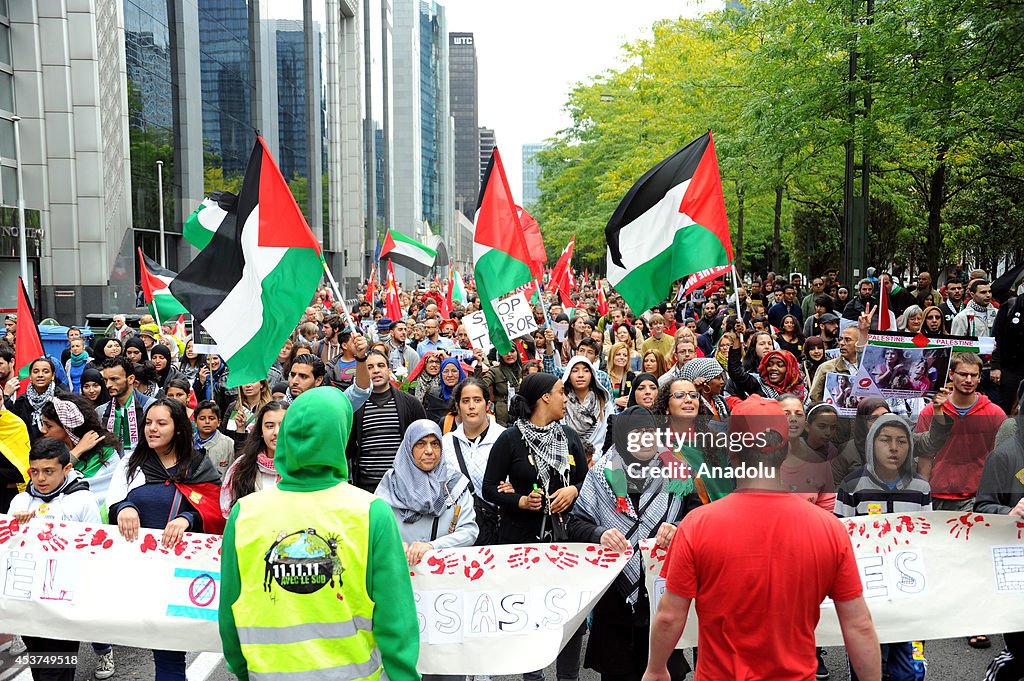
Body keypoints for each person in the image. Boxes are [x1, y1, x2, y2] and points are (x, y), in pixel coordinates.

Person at [642, 396, 882, 681]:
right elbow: (859, 625)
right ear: (785, 452)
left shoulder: (697, 525)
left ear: (732, 453)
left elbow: (670, 615)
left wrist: (656, 669)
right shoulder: (828, 528)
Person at [218, 387, 420, 681]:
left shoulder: (244, 514)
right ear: (340, 436)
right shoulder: (371, 512)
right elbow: (396, 619)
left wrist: (242, 670)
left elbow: (228, 612)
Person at [569, 406, 695, 681]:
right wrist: (599, 534)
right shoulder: (601, 474)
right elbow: (576, 524)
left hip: (664, 594)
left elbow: (697, 517)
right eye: (637, 433)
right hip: (616, 600)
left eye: (650, 432)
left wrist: (677, 527)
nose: (645, 439)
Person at [108, 398, 223, 680]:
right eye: (148, 423)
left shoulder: (198, 465)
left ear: (178, 428)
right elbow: (111, 508)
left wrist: (189, 519)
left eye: (161, 423)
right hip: (140, 570)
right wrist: (126, 507)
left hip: (181, 574)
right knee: (145, 637)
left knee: (169, 651)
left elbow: (216, 511)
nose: (152, 429)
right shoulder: (130, 464)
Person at [482, 372, 587, 681]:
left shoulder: (568, 436)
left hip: (565, 542)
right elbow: (489, 488)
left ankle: (569, 678)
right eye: (560, 392)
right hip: (522, 541)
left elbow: (585, 479)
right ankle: (533, 677)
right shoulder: (510, 439)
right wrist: (519, 502)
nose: (565, 398)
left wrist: (573, 490)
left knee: (570, 616)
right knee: (530, 615)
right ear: (544, 398)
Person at [835, 414, 932, 681]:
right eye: (885, 440)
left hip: (908, 590)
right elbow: (839, 536)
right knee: (868, 663)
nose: (894, 448)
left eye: (902, 441)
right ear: (871, 443)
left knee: (909, 669)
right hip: (867, 590)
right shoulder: (852, 486)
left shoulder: (921, 489)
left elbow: (929, 538)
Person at [8, 437, 101, 681]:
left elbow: (97, 549)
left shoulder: (83, 501)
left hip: (64, 602)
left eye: (49, 471)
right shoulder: (20, 501)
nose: (40, 479)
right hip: (28, 601)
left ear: (67, 468)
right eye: (35, 471)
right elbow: (7, 549)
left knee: (56, 668)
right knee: (40, 666)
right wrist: (16, 528)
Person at [376, 419, 478, 575]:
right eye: (421, 444)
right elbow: (375, 529)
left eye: (435, 444)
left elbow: (469, 531)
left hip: (442, 576)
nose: (429, 450)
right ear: (409, 449)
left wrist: (433, 546)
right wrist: (393, 545)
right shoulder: (391, 484)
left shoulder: (454, 484)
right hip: (398, 573)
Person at [915, 352, 1005, 517]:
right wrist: (923, 495)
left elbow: (1001, 460)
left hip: (977, 498)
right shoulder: (930, 412)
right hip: (936, 497)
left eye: (973, 375)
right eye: (963, 374)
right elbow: (924, 457)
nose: (969, 380)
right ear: (951, 374)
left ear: (979, 377)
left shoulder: (995, 413)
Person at [977, 405, 1024, 679]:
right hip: (1016, 568)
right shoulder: (1004, 456)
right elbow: (982, 506)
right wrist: (1009, 512)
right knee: (1019, 654)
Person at [349, 350, 427, 492]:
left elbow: (424, 440)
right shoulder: (355, 407)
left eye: (381, 365)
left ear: (389, 370)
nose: (376, 371)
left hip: (403, 485)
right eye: (369, 367)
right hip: (366, 486)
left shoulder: (411, 404)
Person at [442, 377, 504, 545]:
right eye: (465, 401)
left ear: (488, 405)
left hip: (496, 526)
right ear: (457, 406)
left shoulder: (504, 438)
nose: (471, 406)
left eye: (477, 400)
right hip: (457, 530)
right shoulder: (446, 442)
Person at [38, 394, 121, 509]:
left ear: (68, 427)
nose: (43, 430)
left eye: (48, 425)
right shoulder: (47, 450)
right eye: (42, 424)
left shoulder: (106, 454)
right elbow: (41, 485)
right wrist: (77, 452)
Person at [219, 401, 288, 516]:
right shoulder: (242, 467)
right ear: (261, 431)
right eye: (269, 426)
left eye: (284, 426)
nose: (276, 432)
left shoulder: (303, 468)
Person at [98, 356, 153, 456]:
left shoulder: (151, 407)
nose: (108, 385)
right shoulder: (100, 411)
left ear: (131, 379)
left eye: (114, 379)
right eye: (105, 380)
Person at [562, 355, 614, 451]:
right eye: (575, 371)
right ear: (568, 376)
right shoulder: (561, 404)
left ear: (592, 375)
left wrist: (596, 457)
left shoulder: (605, 405)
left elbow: (610, 435)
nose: (580, 375)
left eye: (586, 371)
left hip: (599, 457)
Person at [11, 357, 67, 442]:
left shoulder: (62, 399)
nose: (40, 375)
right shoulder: (21, 401)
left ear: (53, 376)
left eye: (45, 372)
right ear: (30, 376)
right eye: (36, 372)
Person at [482, 347, 523, 427]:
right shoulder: (495, 371)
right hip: (502, 416)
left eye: (512, 351)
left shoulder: (523, 370)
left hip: (521, 413)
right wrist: (479, 365)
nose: (509, 354)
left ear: (517, 353)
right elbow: (481, 385)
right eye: (505, 352)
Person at [194, 400, 235, 471]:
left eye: (211, 418)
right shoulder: (188, 442)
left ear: (219, 422)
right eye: (202, 419)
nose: (207, 422)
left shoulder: (229, 444)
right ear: (195, 422)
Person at [424, 357, 465, 427]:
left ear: (460, 372)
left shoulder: (467, 394)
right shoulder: (434, 395)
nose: (450, 375)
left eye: (454, 371)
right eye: (445, 371)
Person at [607, 342, 638, 410]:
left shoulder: (632, 377)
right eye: (618, 354)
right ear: (612, 356)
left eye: (625, 355)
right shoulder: (604, 376)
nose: (622, 357)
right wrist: (615, 401)